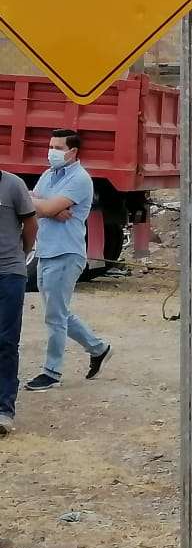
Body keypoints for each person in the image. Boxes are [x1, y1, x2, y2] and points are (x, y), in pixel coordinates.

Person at [24, 130, 111, 392]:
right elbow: (32, 204)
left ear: (73, 152)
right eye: (51, 146)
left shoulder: (80, 179)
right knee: (58, 311)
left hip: (65, 252)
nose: (52, 152)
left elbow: (44, 207)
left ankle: (52, 371)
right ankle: (98, 348)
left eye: (58, 147)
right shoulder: (49, 175)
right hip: (46, 251)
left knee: (54, 315)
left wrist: (47, 205)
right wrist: (46, 205)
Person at [0, 169, 36, 433]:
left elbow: (30, 226)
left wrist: (20, 256)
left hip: (9, 274)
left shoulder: (13, 185)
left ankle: (4, 410)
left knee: (6, 341)